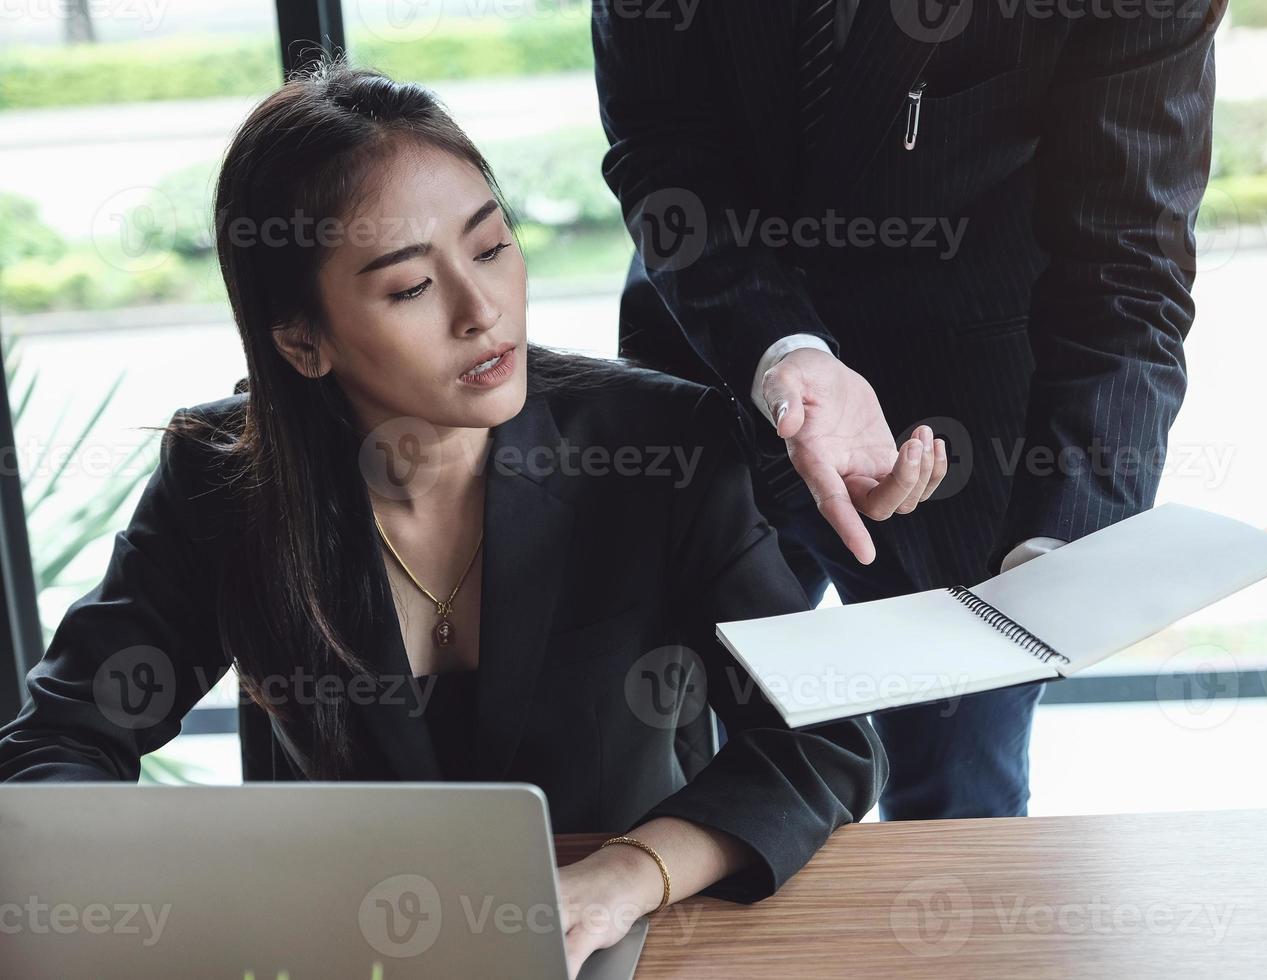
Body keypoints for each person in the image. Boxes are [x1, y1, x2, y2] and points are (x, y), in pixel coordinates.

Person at [0, 57, 887, 976]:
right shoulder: (218, 482)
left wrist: (628, 873)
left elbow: (825, 740)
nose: (481, 312)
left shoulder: (661, 449)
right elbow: (57, 745)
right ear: (302, 341)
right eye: (410, 288)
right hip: (337, 944)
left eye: (493, 246)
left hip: (612, 938)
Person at [594, 0, 1223, 820]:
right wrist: (786, 348)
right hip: (718, 348)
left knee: (956, 796)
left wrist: (1066, 537)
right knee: (646, 746)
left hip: (967, 408)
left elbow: (1127, 262)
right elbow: (661, 140)